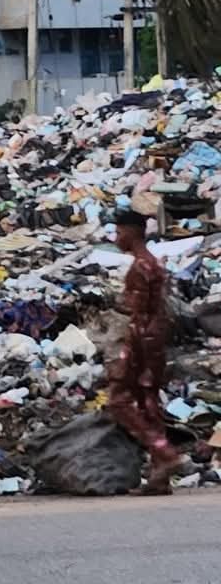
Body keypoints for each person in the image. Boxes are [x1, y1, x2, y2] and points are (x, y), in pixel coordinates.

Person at [107, 208, 180, 493]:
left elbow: (140, 319)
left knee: (118, 400)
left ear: (133, 232)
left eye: (119, 232)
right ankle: (160, 477)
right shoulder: (153, 263)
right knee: (149, 404)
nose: (116, 239)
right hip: (157, 342)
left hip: (143, 343)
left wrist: (128, 356)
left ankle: (165, 454)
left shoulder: (140, 267)